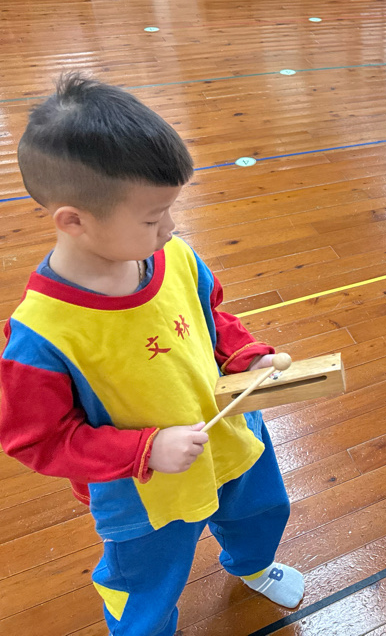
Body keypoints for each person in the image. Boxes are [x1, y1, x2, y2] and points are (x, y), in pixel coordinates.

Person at [0, 75, 304, 636]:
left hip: (232, 438)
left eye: (170, 210)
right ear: (73, 220)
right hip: (142, 490)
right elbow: (37, 440)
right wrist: (146, 449)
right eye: (151, 218)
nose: (171, 228)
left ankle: (253, 565)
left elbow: (212, 316)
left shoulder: (175, 256)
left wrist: (245, 357)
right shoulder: (40, 335)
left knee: (261, 512)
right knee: (145, 581)